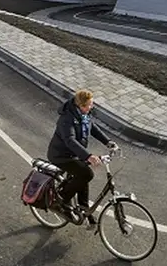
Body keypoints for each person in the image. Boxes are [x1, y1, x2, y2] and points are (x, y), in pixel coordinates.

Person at [47, 89, 117, 224]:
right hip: (61, 155)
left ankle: (84, 209)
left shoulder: (84, 114)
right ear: (80, 105)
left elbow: (92, 127)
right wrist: (88, 156)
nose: (92, 107)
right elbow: (70, 141)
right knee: (86, 174)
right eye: (89, 105)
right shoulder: (66, 119)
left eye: (92, 104)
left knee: (82, 175)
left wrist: (108, 141)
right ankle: (60, 200)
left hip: (74, 154)